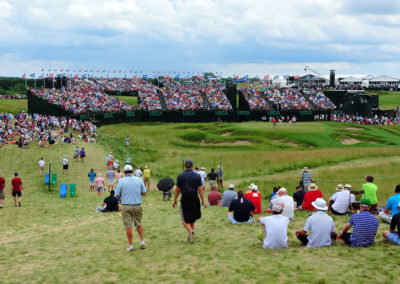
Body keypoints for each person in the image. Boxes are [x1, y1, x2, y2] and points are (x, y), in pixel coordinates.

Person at [172, 158, 206, 243]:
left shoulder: (180, 176)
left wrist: (175, 200)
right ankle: (191, 235)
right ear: (192, 165)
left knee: (184, 219)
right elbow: (201, 190)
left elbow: (177, 190)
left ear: (184, 166)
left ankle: (191, 232)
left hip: (185, 199)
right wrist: (203, 201)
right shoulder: (197, 176)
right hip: (194, 198)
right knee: (192, 218)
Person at [116, 164, 147, 251]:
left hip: (126, 206)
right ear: (132, 171)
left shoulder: (121, 181)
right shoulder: (139, 180)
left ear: (125, 172)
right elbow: (144, 193)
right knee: (139, 224)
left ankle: (131, 246)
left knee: (128, 226)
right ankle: (142, 242)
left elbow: (117, 194)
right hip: (137, 205)